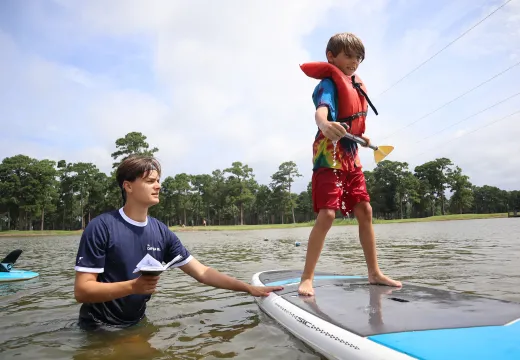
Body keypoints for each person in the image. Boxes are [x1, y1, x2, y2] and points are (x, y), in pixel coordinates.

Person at [73, 155, 283, 329]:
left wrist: (248, 288)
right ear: (127, 186)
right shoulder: (102, 227)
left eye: (158, 180)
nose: (158, 186)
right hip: (99, 327)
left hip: (137, 324)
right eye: (150, 181)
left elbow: (202, 272)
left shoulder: (161, 231)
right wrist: (133, 287)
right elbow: (82, 291)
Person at [298, 32, 402, 296]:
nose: (354, 62)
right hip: (328, 151)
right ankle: (307, 278)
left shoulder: (356, 84)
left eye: (358, 58)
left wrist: (361, 137)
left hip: (351, 151)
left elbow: (352, 119)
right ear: (331, 57)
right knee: (328, 213)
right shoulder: (328, 84)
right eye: (348, 56)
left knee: (365, 209)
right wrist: (324, 124)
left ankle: (374, 273)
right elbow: (322, 110)